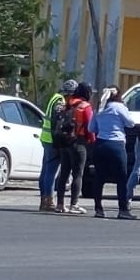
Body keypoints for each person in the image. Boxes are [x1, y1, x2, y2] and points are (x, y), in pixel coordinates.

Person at [90, 88, 136, 219]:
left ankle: (98, 209)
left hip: (100, 144)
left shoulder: (99, 108)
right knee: (121, 178)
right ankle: (123, 209)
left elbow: (91, 128)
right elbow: (131, 123)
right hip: (116, 144)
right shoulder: (119, 107)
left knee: (99, 178)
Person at [54, 83, 94, 214]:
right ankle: (74, 204)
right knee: (78, 173)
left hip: (64, 142)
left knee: (64, 172)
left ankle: (60, 204)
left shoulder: (68, 104)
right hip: (79, 142)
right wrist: (92, 141)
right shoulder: (85, 107)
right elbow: (90, 126)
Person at [38, 78, 78, 212]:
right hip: (52, 140)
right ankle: (48, 200)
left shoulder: (55, 97)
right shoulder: (60, 101)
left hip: (46, 137)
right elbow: (57, 122)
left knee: (45, 170)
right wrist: (60, 140)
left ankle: (44, 199)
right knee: (51, 172)